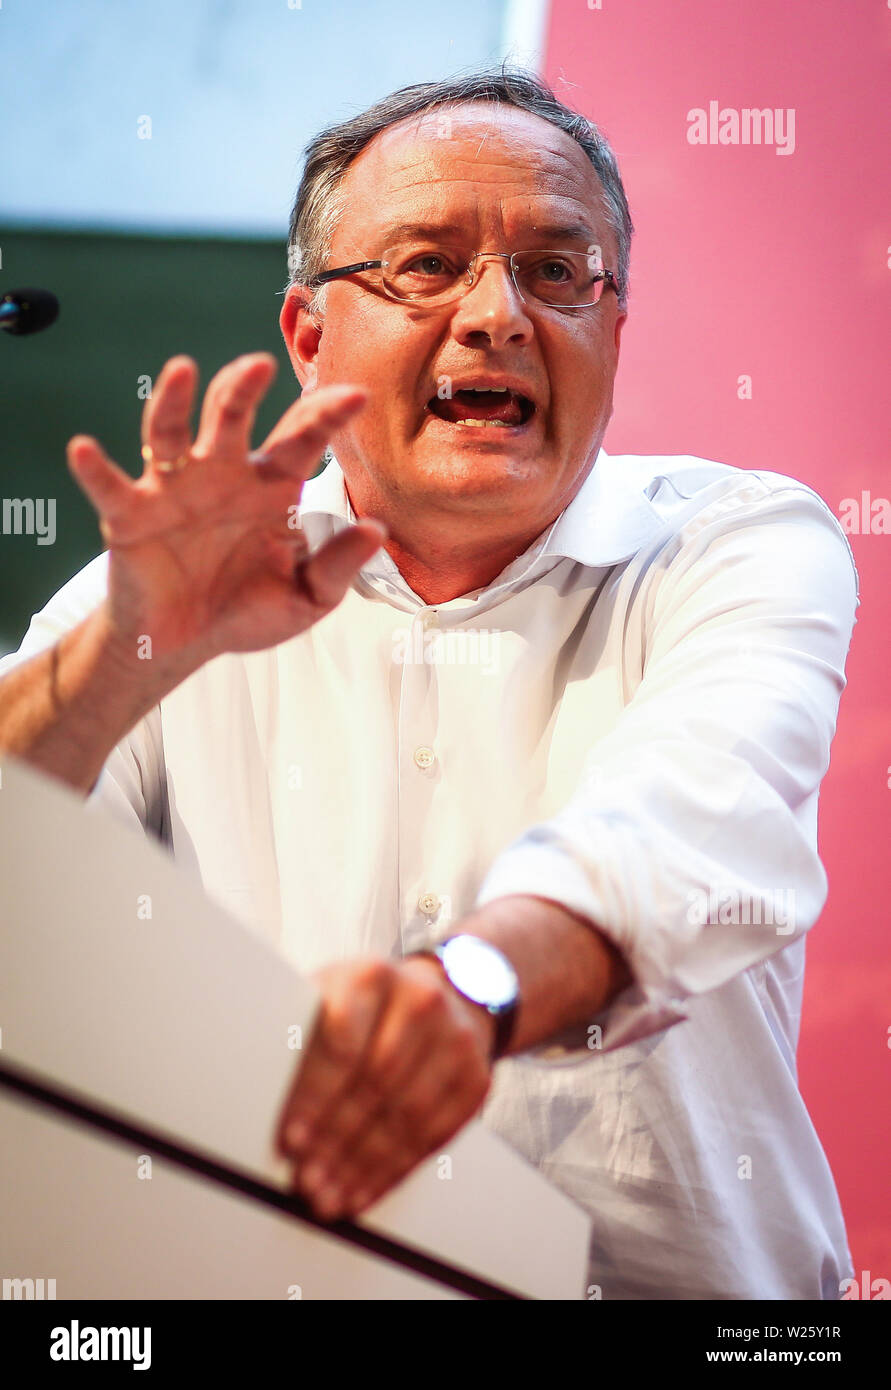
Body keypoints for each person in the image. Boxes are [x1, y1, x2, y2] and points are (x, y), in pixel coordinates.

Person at [0, 68, 859, 1299]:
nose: (498, 315)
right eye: (424, 264)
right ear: (308, 337)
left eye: (558, 272)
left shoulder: (739, 542)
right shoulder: (184, 579)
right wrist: (128, 653)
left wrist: (474, 988)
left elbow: (693, 822)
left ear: (615, 330)